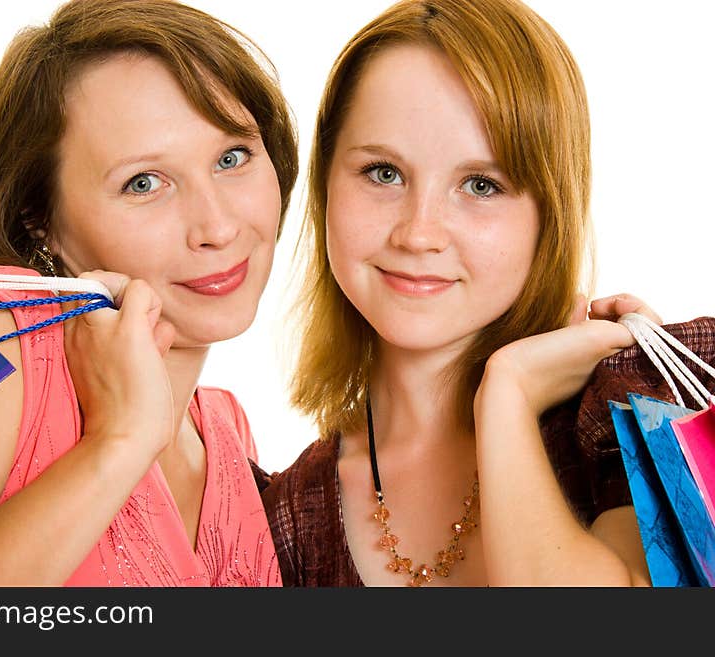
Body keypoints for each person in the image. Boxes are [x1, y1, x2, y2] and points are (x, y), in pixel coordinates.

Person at [0, 0, 297, 586]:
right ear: (39, 222)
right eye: (144, 183)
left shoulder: (226, 428)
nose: (219, 227)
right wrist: (118, 443)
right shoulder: (3, 342)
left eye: (232, 158)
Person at [261, 0, 663, 586]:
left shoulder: (636, 408)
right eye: (383, 172)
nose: (419, 233)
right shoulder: (288, 518)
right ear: (325, 186)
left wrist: (509, 392)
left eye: (481, 184)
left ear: (549, 213)